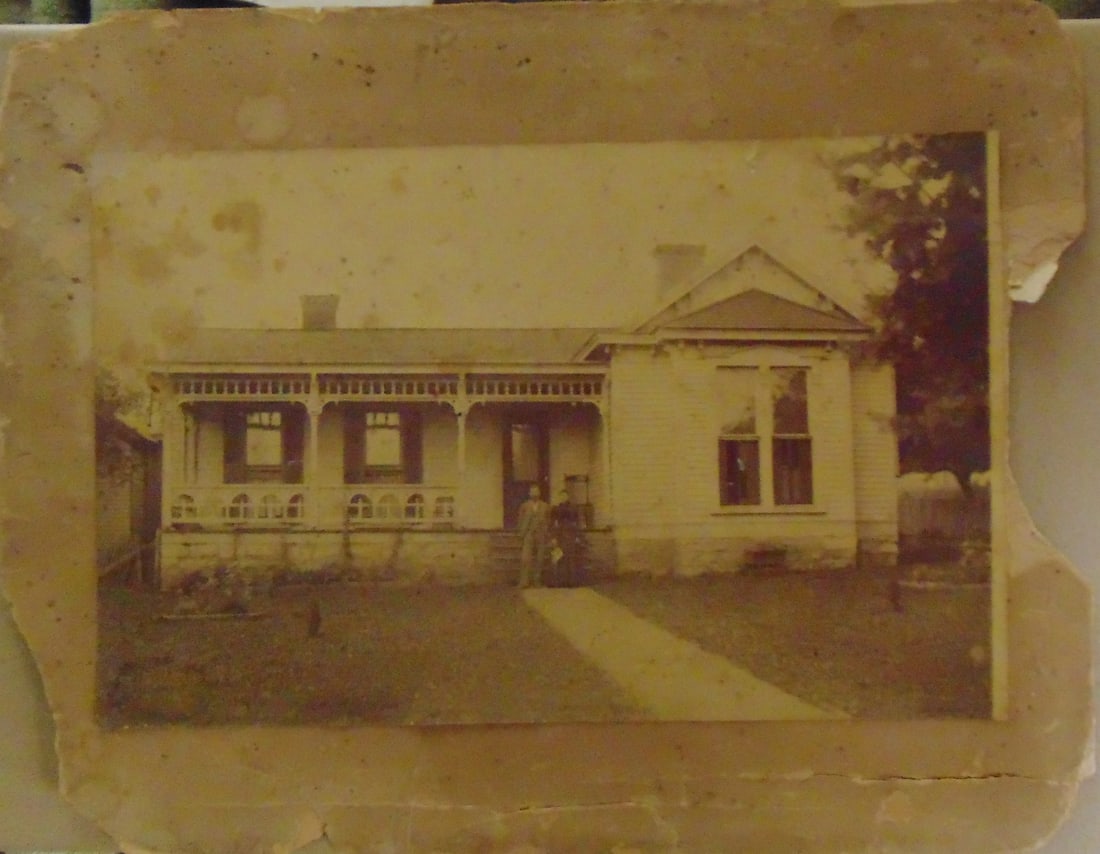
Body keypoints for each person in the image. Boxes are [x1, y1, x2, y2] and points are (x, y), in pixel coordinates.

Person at [517, 484, 550, 588]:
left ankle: (537, 581)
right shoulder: (524, 506)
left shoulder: (545, 506)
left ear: (539, 493)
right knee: (525, 558)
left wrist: (545, 531)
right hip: (528, 534)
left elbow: (548, 520)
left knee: (540, 559)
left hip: (541, 534)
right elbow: (520, 520)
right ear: (529, 493)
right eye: (532, 492)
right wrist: (522, 533)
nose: (534, 494)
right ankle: (524, 582)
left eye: (536, 491)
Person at [551, 489, 584, 588]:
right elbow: (553, 523)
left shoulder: (573, 508)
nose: (563, 498)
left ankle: (572, 582)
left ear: (568, 497)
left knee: (571, 558)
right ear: (559, 497)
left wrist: (577, 536)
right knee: (560, 558)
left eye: (565, 496)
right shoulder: (556, 509)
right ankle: (561, 581)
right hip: (560, 534)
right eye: (561, 496)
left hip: (571, 534)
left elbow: (577, 523)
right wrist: (553, 537)